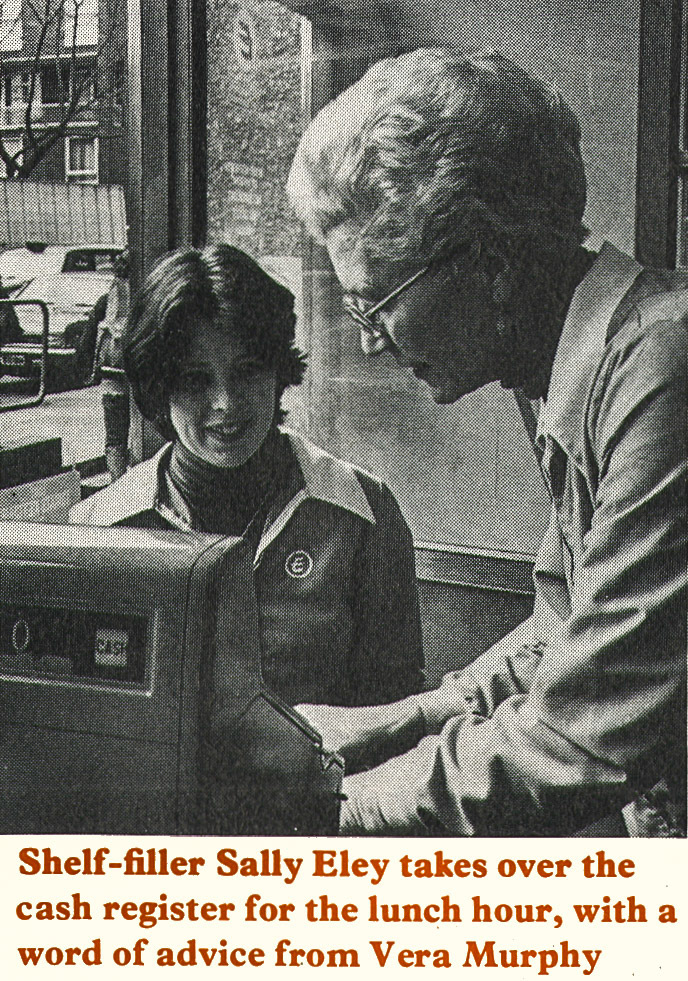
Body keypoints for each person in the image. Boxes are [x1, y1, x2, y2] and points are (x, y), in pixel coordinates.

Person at [286, 48, 687, 835]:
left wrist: (344, 801)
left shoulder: (663, 374)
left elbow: (583, 732)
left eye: (380, 305)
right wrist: (406, 716)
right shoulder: (573, 364)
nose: (371, 344)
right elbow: (570, 624)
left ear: (494, 266)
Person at [70, 244, 423, 708]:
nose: (227, 404)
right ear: (160, 390)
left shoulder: (365, 512)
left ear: (278, 371)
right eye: (196, 379)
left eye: (247, 370)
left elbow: (395, 706)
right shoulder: (95, 532)